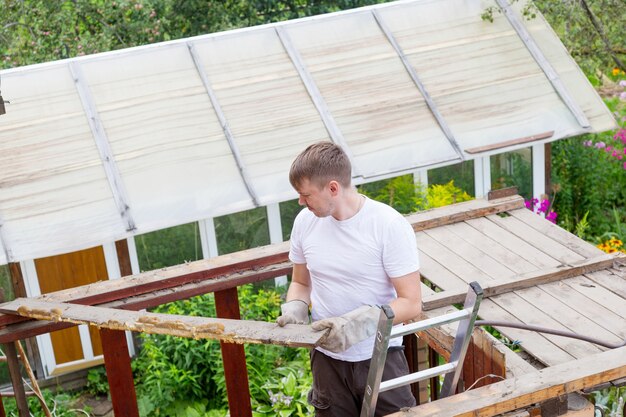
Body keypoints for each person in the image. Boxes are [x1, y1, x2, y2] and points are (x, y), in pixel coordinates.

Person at [276, 142, 422, 416]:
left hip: (380, 358)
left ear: (333, 188)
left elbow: (412, 303)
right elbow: (301, 283)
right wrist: (296, 305)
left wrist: (360, 324)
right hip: (326, 359)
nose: (301, 202)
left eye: (306, 195)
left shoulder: (387, 225)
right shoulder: (305, 223)